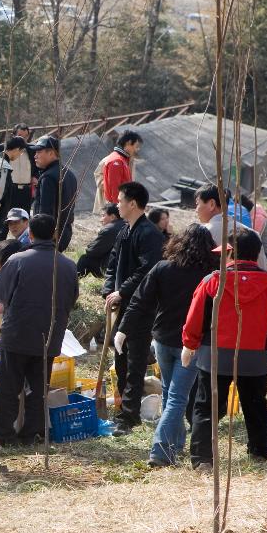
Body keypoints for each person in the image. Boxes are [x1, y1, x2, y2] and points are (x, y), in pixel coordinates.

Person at [182, 226, 267, 468]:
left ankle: (203, 460)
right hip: (256, 357)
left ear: (231, 253)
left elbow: (195, 317)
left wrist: (189, 345)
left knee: (206, 408)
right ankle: (259, 453)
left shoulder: (212, 281)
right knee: (256, 406)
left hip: (214, 355)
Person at [117, 225, 217, 466]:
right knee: (176, 397)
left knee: (173, 395)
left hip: (162, 339)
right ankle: (160, 452)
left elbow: (140, 302)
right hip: (192, 343)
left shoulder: (162, 268)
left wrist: (122, 329)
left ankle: (175, 446)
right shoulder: (212, 274)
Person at [0, 214, 79, 447]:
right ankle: (32, 434)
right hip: (49, 336)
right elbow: (72, 300)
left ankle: (5, 437)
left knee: (8, 388)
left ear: (30, 234)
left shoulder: (18, 260)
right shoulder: (68, 266)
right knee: (39, 389)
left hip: (17, 333)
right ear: (56, 235)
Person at [103, 182, 165, 432]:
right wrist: (109, 289)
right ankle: (123, 407)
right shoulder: (124, 230)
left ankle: (129, 417)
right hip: (121, 303)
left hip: (141, 306)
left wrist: (123, 290)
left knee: (135, 359)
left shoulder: (149, 234)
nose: (117, 204)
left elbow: (147, 270)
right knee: (120, 356)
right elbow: (113, 262)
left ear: (132, 203)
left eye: (120, 200)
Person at [195, 184, 267, 271]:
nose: (196, 209)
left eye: (197, 204)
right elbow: (264, 271)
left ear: (212, 204)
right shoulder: (252, 233)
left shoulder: (200, 234)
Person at [31, 135, 78, 252]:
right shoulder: (69, 173)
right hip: (65, 231)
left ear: (51, 153)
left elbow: (45, 212)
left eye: (39, 152)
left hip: (49, 236)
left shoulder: (48, 177)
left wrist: (41, 237)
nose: (35, 156)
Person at [94, 130, 141, 212]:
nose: (137, 149)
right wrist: (117, 209)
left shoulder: (125, 159)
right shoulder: (116, 161)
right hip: (115, 207)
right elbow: (115, 188)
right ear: (129, 143)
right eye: (136, 146)